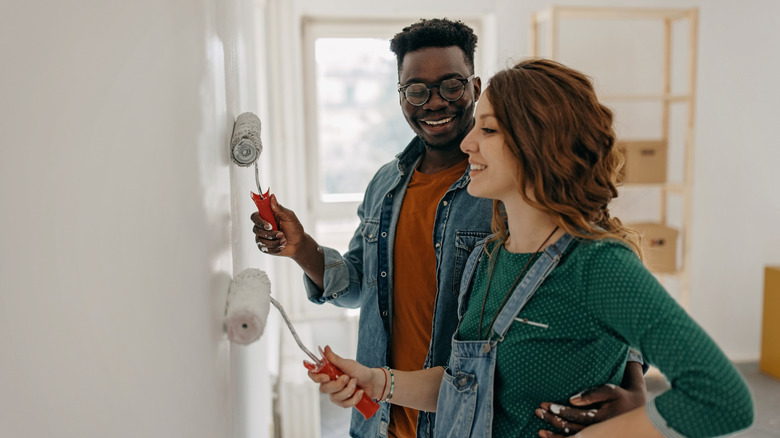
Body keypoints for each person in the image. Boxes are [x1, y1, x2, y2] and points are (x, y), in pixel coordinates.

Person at [307, 58, 755, 438]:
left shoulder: (596, 265)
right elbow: (466, 385)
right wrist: (377, 382)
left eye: (488, 129)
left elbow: (722, 397)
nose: (467, 144)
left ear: (536, 143)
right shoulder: (488, 258)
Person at [253, 19, 645, 438]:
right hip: (380, 416)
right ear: (401, 96)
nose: (435, 103)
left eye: (452, 86)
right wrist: (302, 249)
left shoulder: (507, 187)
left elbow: (604, 283)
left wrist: (634, 386)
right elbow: (359, 286)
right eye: (417, 90)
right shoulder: (385, 185)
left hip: (465, 420)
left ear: (474, 87)